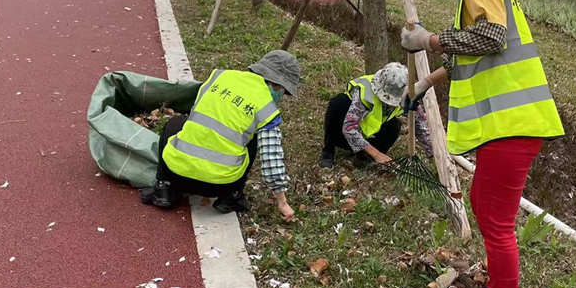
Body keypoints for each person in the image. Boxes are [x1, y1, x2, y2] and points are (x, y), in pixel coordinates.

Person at [400, 0, 564, 288]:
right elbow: (468, 58)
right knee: (485, 204)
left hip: (512, 124)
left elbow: (489, 39)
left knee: (495, 219)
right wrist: (421, 85)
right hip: (511, 125)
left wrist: (428, 39)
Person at [145, 50, 299, 221]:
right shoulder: (267, 109)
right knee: (252, 136)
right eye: (283, 92)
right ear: (276, 85)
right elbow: (271, 160)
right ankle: (231, 197)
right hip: (219, 186)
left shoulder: (219, 76)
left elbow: (196, 114)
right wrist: (282, 203)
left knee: (176, 123)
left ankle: (163, 187)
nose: (281, 97)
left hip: (176, 174)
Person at [319, 62, 433, 168]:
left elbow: (421, 127)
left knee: (394, 126)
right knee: (337, 103)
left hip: (371, 137)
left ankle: (364, 157)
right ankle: (328, 151)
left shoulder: (409, 97)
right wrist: (377, 154)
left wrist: (432, 154)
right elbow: (349, 128)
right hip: (344, 136)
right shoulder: (366, 92)